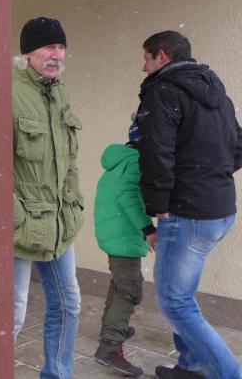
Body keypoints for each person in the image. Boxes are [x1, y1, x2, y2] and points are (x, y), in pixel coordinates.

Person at [135, 31, 242, 379]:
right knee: (183, 294)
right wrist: (211, 178)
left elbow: (157, 152)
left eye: (147, 58)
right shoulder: (215, 91)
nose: (144, 67)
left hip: (187, 214)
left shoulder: (164, 90)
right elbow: (238, 145)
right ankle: (191, 366)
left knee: (174, 302)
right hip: (219, 211)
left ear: (162, 55)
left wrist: (158, 205)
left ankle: (229, 374)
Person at [12, 17, 83, 379]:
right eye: (49, 47)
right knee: (10, 317)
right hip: (18, 228)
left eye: (61, 47)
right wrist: (15, 217)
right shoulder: (8, 93)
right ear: (28, 53)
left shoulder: (60, 92)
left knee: (68, 306)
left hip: (58, 225)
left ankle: (57, 374)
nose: (58, 55)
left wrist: (74, 203)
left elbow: (69, 161)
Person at [93, 122, 155, 378]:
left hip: (114, 234)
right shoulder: (138, 162)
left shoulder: (119, 162)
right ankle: (110, 347)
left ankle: (112, 329)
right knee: (129, 289)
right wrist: (148, 229)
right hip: (124, 236)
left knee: (120, 285)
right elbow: (128, 196)